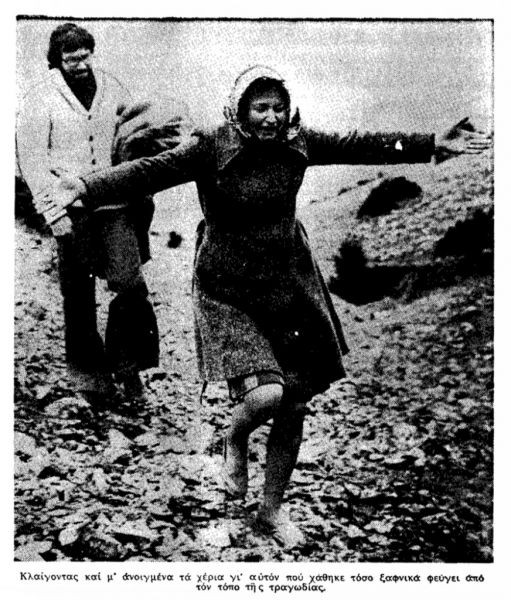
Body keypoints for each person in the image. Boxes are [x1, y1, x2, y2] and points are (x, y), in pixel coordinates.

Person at [50, 65, 491, 545]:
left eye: (279, 107)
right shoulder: (211, 146)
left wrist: (431, 143)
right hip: (227, 287)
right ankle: (234, 436)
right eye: (260, 108)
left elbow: (360, 143)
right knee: (265, 396)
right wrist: (86, 186)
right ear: (240, 110)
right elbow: (149, 171)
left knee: (295, 401)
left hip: (289, 286)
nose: (271, 117)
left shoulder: (299, 143)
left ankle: (272, 509)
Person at [16, 23, 187, 407]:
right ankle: (89, 379)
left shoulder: (112, 87)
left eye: (85, 56)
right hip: (70, 209)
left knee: (129, 285)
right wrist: (53, 213)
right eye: (70, 59)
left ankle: (128, 369)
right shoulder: (40, 98)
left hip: (113, 204)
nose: (80, 64)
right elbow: (32, 160)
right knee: (78, 294)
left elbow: (132, 136)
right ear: (56, 61)